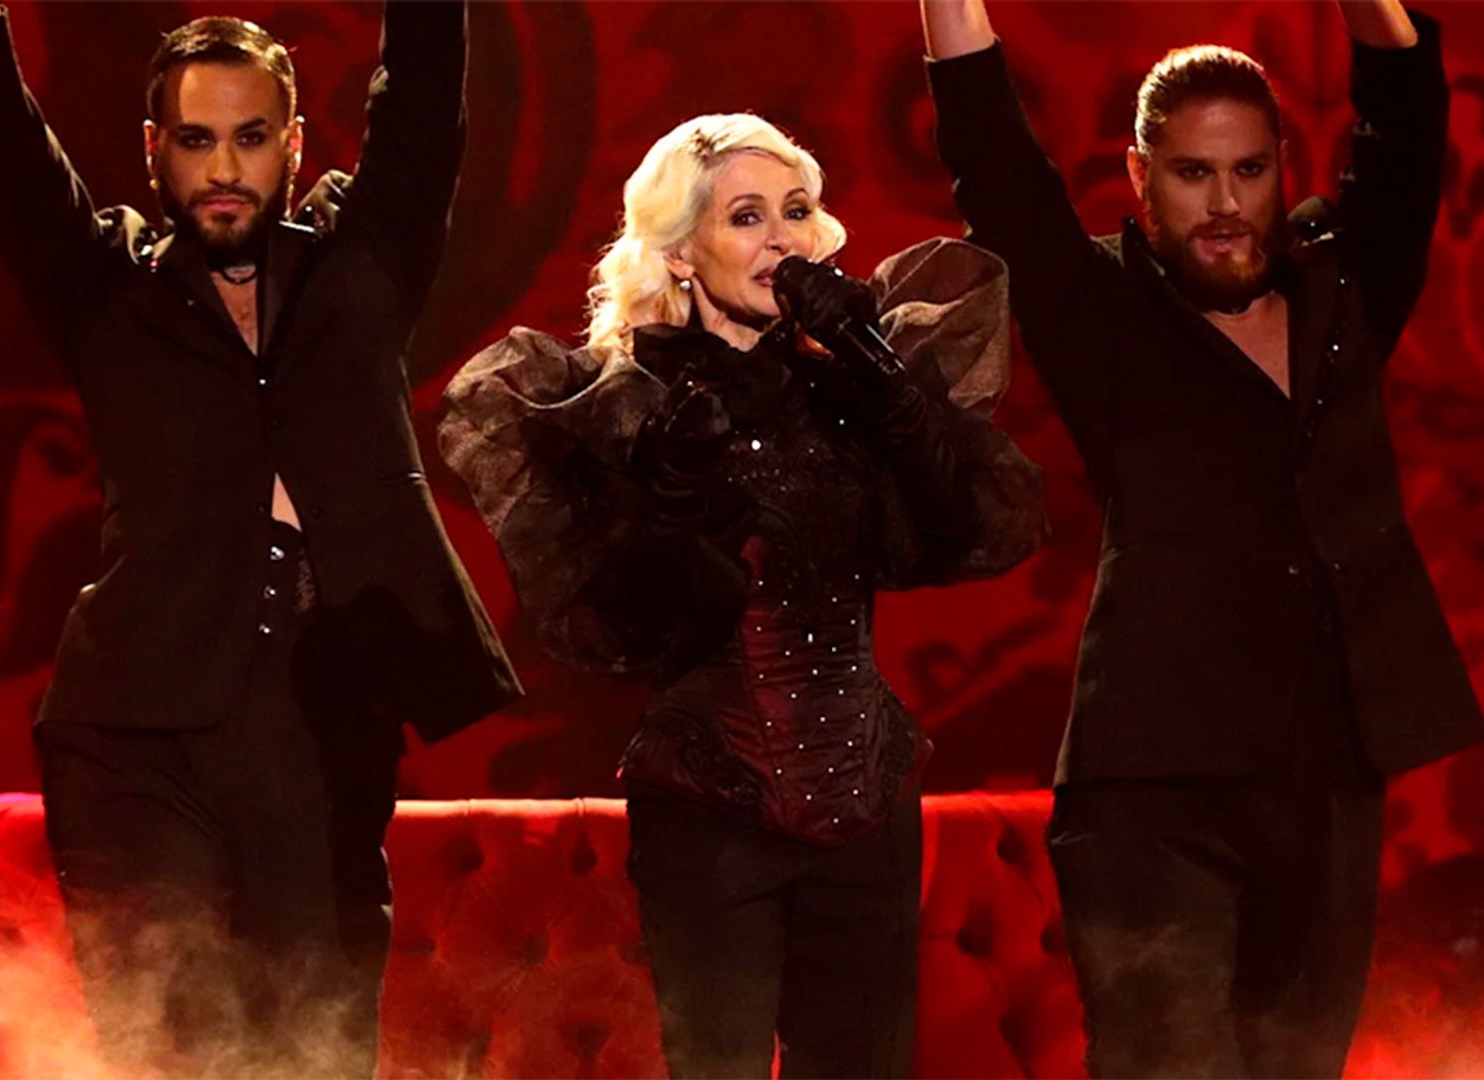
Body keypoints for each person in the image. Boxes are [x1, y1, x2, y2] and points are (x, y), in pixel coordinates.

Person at [0, 1, 519, 1074]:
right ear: (155, 150)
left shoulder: (365, 265)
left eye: (250, 138)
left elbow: (425, 106)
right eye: (197, 141)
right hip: (133, 729)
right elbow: (5, 147)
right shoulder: (102, 286)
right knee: (168, 1042)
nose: (224, 169)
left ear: (292, 144)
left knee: (318, 1039)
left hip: (324, 713)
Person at [919, 1, 1484, 1076]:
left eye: (1248, 171)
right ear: (1140, 176)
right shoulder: (1100, 309)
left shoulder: (1344, 287)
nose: (1225, 205)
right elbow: (992, 159)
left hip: (1329, 782)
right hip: (1152, 791)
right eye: (1192, 174)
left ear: (1281, 169)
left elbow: (1408, 113)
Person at [439, 113, 1044, 1078]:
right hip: (709, 818)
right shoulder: (623, 405)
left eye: (796, 212)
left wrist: (880, 376)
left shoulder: (845, 390)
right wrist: (674, 493)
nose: (781, 240)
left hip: (868, 807)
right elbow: (623, 627)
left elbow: (962, 529)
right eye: (747, 217)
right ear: (681, 252)